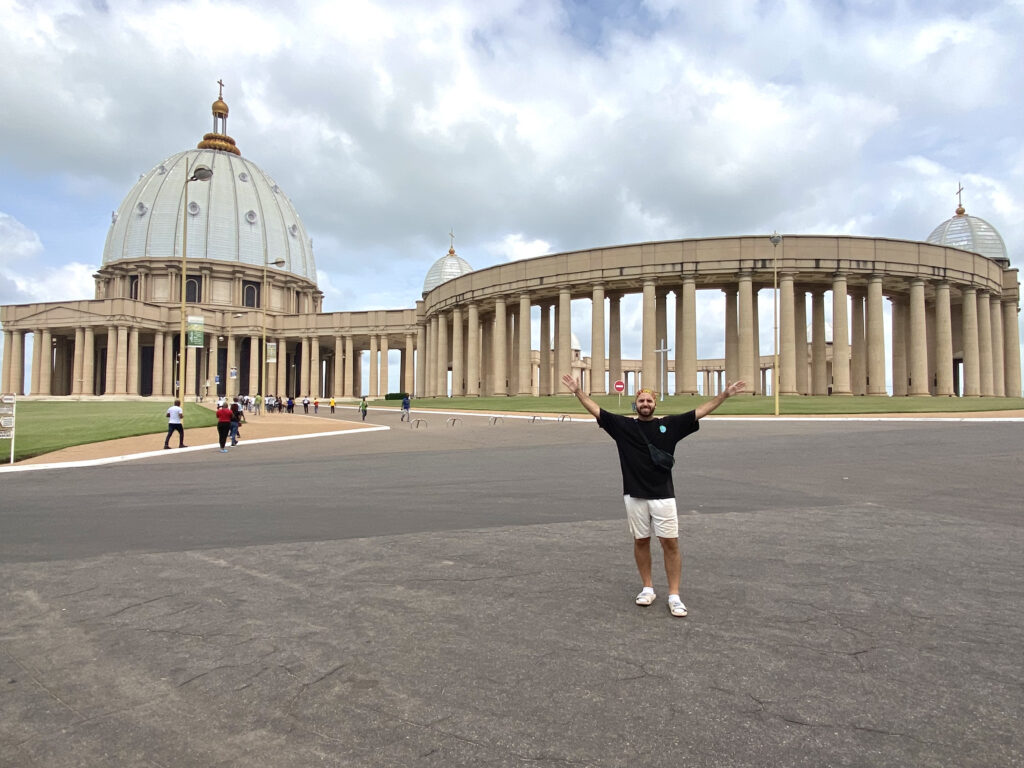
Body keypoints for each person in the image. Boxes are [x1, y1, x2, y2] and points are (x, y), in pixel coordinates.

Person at [561, 373, 745, 618]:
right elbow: (597, 411)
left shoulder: (668, 426)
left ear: (655, 404)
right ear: (635, 405)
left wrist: (724, 395)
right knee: (641, 541)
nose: (645, 404)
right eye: (641, 401)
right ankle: (647, 587)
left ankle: (674, 595)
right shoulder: (624, 427)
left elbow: (698, 412)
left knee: (670, 542)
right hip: (634, 495)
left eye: (649, 401)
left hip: (663, 496)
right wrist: (577, 391)